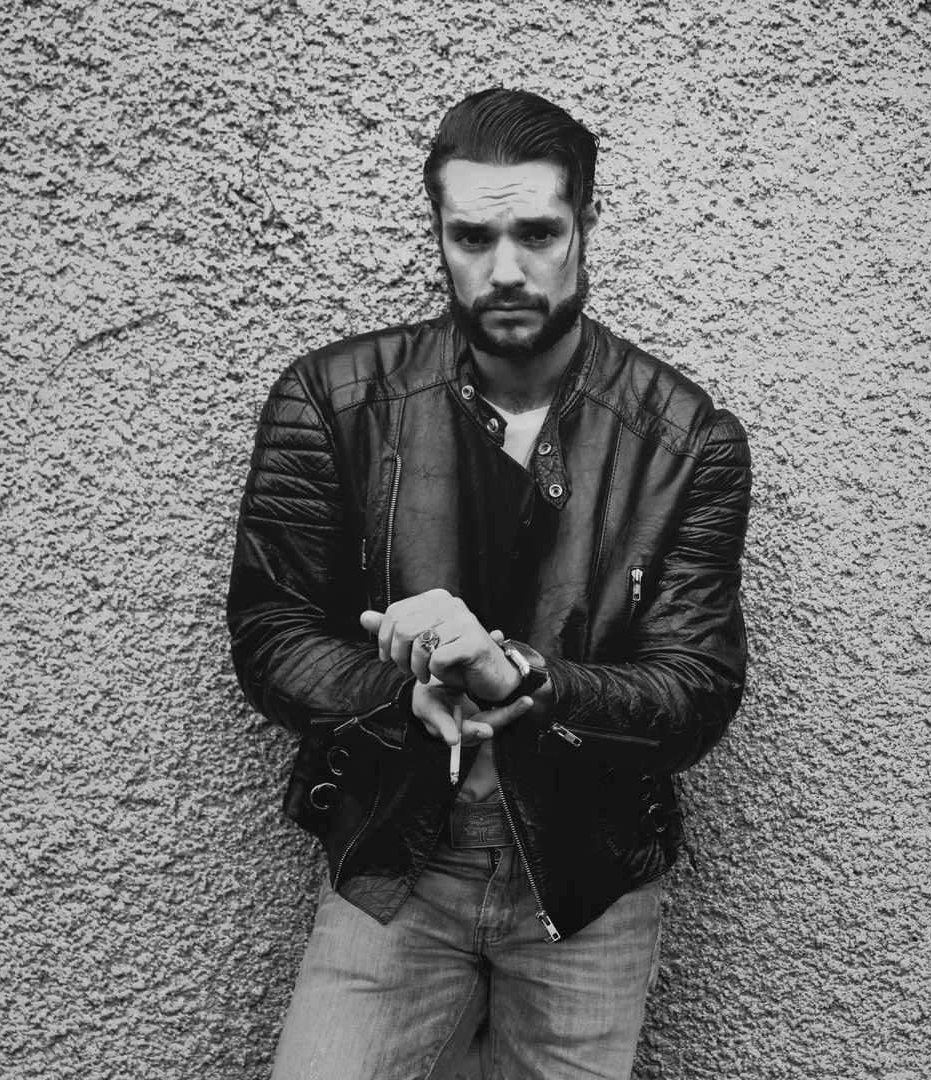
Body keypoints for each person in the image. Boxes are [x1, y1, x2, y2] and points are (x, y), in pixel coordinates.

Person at [226, 87, 752, 1080]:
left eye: (537, 233)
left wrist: (526, 680)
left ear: (586, 225)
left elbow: (696, 691)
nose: (505, 269)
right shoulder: (333, 402)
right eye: (473, 236)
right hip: (397, 860)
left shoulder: (686, 440)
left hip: (587, 882)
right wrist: (399, 691)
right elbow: (270, 634)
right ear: (438, 234)